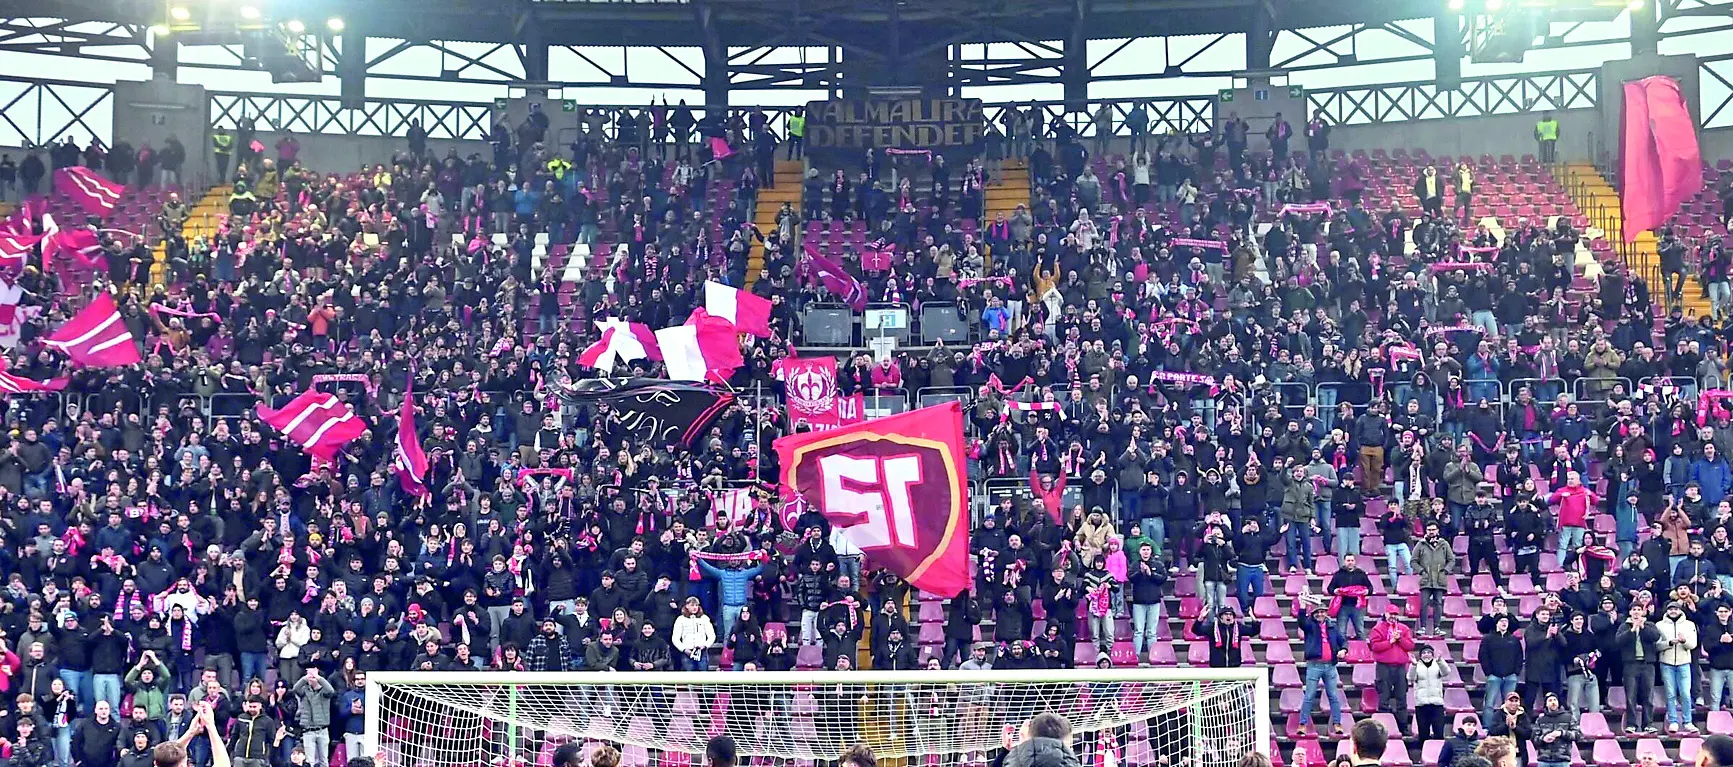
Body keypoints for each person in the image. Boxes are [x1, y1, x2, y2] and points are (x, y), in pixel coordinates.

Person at [1295, 601, 1347, 737]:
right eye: (1317, 612)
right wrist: (1302, 607)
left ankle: (1337, 723)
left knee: (1333, 696)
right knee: (1309, 695)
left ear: (1326, 613)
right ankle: (1302, 724)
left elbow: (1343, 641)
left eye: (1322, 611)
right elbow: (1301, 622)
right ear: (1313, 614)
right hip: (1314, 665)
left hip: (1330, 665)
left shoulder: (1333, 626)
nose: (1320, 614)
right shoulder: (1310, 625)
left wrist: (1344, 650)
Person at [1367, 604, 1414, 734]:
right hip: (1384, 666)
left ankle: (1403, 727)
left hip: (1400, 667)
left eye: (1395, 614)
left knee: (1401, 698)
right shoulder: (1378, 628)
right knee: (1384, 697)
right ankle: (1383, 729)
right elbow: (1375, 646)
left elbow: (1410, 646)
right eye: (1391, 614)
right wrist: (1391, 641)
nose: (1393, 617)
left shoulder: (1403, 628)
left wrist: (1400, 639)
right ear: (1386, 614)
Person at [1657, 600, 1700, 733]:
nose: (1673, 611)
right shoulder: (1659, 625)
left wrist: (1684, 641)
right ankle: (1673, 721)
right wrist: (1669, 643)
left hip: (1684, 663)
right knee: (1670, 694)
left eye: (1675, 609)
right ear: (1667, 611)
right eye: (1670, 609)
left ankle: (1688, 721)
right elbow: (1656, 646)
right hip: (1666, 663)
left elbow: (1693, 645)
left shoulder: (1689, 625)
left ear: (1680, 610)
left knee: (1685, 694)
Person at [1411, 645, 1456, 744]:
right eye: (1424, 653)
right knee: (1423, 733)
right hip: (1421, 704)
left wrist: (1440, 660)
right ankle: (1424, 753)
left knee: (1439, 731)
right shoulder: (1416, 665)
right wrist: (1413, 665)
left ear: (1432, 654)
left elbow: (1446, 672)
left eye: (1429, 653)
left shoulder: (1437, 664)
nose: (1426, 655)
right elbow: (1410, 677)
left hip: (1437, 703)